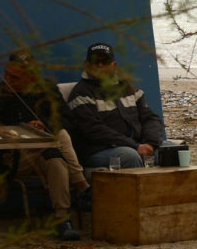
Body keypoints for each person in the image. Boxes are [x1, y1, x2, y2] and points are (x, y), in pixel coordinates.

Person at [0, 49, 89, 240]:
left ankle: (62, 219)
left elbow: (69, 120)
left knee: (56, 158)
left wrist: (44, 125)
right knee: (60, 137)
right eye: (6, 74)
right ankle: (81, 184)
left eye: (14, 77)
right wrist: (22, 130)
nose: (8, 79)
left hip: (44, 154)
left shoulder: (46, 90)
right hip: (12, 158)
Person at [60, 42, 166, 170]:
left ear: (113, 65)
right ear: (86, 65)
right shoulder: (81, 93)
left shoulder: (129, 89)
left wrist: (150, 144)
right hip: (98, 151)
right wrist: (135, 146)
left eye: (105, 61)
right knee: (129, 156)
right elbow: (94, 131)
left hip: (138, 145)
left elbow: (151, 119)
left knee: (173, 150)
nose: (100, 65)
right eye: (95, 62)